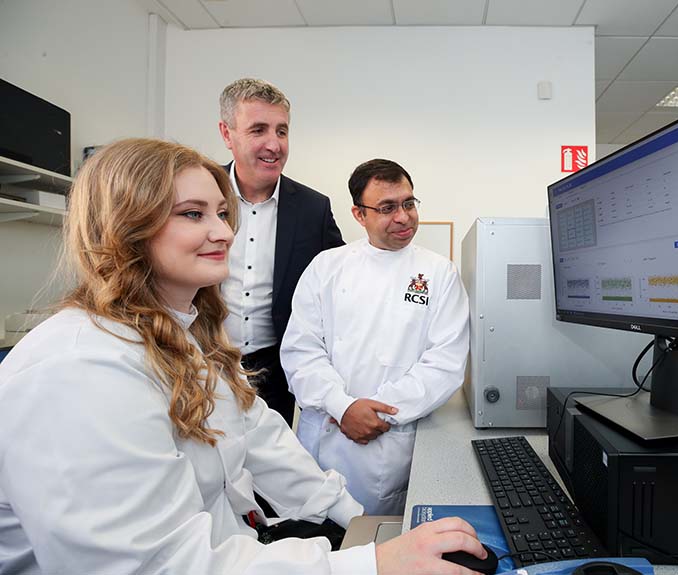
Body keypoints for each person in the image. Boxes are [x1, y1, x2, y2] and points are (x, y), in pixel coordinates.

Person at [0, 139, 489, 575]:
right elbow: (155, 565)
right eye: (194, 214)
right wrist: (371, 562)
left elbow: (259, 434)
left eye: (221, 212)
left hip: (236, 542)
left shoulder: (186, 338)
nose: (226, 233)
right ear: (125, 229)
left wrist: (356, 519)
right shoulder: (77, 371)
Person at [281, 159, 470, 515]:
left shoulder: (438, 273)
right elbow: (300, 351)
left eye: (409, 203)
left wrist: (380, 414)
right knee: (311, 542)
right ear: (358, 214)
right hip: (325, 436)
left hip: (387, 443)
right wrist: (343, 406)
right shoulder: (326, 267)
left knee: (377, 547)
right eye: (387, 208)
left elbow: (444, 364)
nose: (403, 217)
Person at [218, 78, 344, 427]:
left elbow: (342, 286)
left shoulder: (312, 209)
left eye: (282, 131)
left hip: (274, 374)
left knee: (268, 474)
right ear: (227, 134)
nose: (274, 144)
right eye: (258, 130)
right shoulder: (194, 192)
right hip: (201, 362)